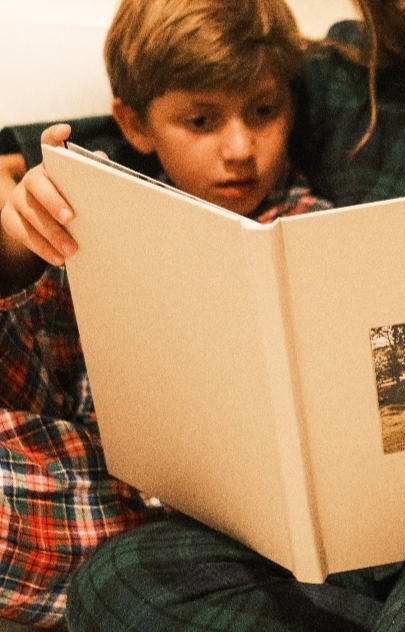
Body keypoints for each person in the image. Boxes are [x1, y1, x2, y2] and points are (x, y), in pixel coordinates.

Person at [2, 0, 405, 630]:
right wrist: (47, 191)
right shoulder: (353, 71)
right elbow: (159, 117)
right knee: (121, 582)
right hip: (366, 515)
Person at [0, 0, 329, 627]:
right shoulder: (105, 212)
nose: (240, 148)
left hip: (216, 526)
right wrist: (16, 251)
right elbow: (31, 381)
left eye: (265, 112)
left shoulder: (313, 230)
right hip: (107, 479)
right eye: (201, 121)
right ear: (134, 124)